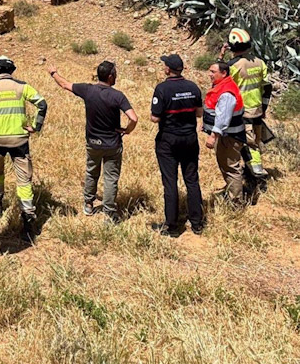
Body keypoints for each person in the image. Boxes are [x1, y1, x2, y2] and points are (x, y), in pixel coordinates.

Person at [49, 61, 138, 222]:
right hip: (112, 144)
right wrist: (127, 130)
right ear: (110, 76)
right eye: (115, 73)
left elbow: (65, 84)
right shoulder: (118, 96)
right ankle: (110, 212)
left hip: (93, 143)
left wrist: (54, 73)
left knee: (91, 172)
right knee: (111, 178)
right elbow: (133, 118)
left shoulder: (88, 90)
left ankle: (88, 204)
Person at [0, 55, 48, 241]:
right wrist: (36, 126)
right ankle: (28, 220)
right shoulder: (23, 87)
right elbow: (42, 103)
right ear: (11, 70)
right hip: (20, 141)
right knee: (23, 181)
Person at [150, 54, 203, 236]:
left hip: (169, 140)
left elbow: (155, 117)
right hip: (190, 138)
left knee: (170, 182)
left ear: (167, 69)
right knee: (192, 180)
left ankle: (172, 227)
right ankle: (197, 223)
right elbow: (199, 114)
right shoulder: (193, 87)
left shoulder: (162, 89)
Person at [220, 27, 272, 180]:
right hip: (256, 109)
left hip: (241, 112)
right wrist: (264, 108)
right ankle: (252, 172)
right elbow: (267, 87)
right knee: (254, 142)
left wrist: (221, 56)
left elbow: (220, 81)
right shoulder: (259, 62)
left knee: (247, 145)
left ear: (232, 46)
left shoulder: (232, 66)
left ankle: (257, 175)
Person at [203, 61, 246, 203]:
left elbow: (223, 118)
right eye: (210, 71)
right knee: (226, 165)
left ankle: (236, 202)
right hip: (227, 136)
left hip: (229, 137)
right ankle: (232, 193)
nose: (210, 75)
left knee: (231, 168)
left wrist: (213, 136)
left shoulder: (227, 93)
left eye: (213, 72)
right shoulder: (223, 86)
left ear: (224, 73)